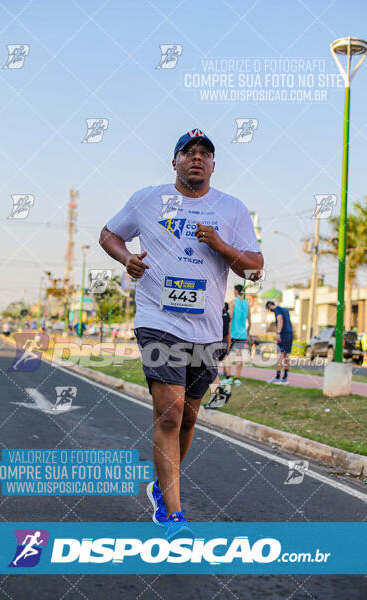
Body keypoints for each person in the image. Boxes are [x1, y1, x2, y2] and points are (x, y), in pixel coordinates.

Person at [99, 128, 263, 538]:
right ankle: (172, 513)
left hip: (206, 330)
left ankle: (160, 485)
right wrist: (127, 259)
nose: (197, 157)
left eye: (205, 153)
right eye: (188, 152)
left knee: (188, 418)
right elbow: (109, 233)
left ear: (212, 164)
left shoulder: (231, 208)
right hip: (159, 322)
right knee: (169, 414)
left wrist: (223, 246)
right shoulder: (147, 199)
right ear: (173, 161)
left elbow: (255, 267)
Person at [265, 301, 293, 384]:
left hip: (283, 334)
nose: (270, 311)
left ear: (270, 306)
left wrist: (278, 333)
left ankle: (277, 377)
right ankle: (285, 377)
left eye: (268, 309)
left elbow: (280, 320)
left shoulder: (277, 310)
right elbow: (289, 323)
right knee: (286, 355)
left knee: (281, 355)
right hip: (289, 334)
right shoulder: (285, 310)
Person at [228, 284, 251, 386]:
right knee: (239, 356)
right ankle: (237, 379)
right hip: (242, 334)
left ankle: (228, 377)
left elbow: (230, 317)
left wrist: (226, 332)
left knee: (226, 355)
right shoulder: (247, 304)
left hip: (232, 333)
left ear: (236, 291)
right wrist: (248, 333)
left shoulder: (233, 302)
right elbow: (250, 321)